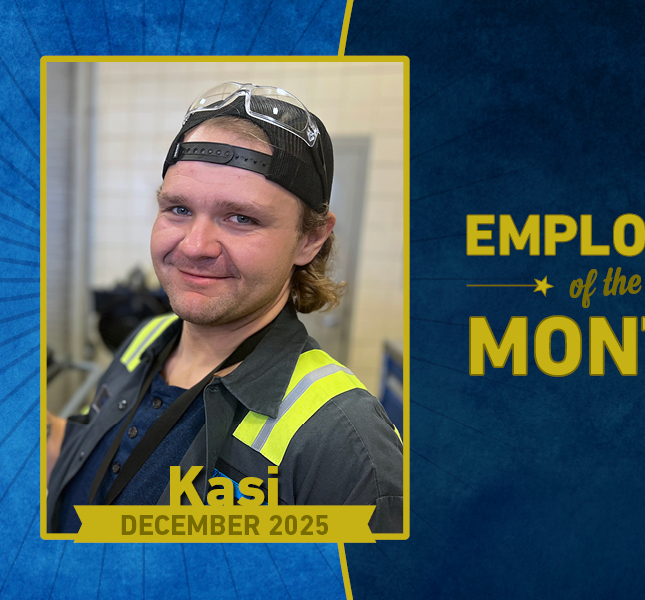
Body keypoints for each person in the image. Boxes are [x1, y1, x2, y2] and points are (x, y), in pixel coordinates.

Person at [47, 83, 403, 534]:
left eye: (242, 218)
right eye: (178, 208)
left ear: (310, 239)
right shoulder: (148, 339)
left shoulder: (343, 441)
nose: (194, 246)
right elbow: (98, 461)